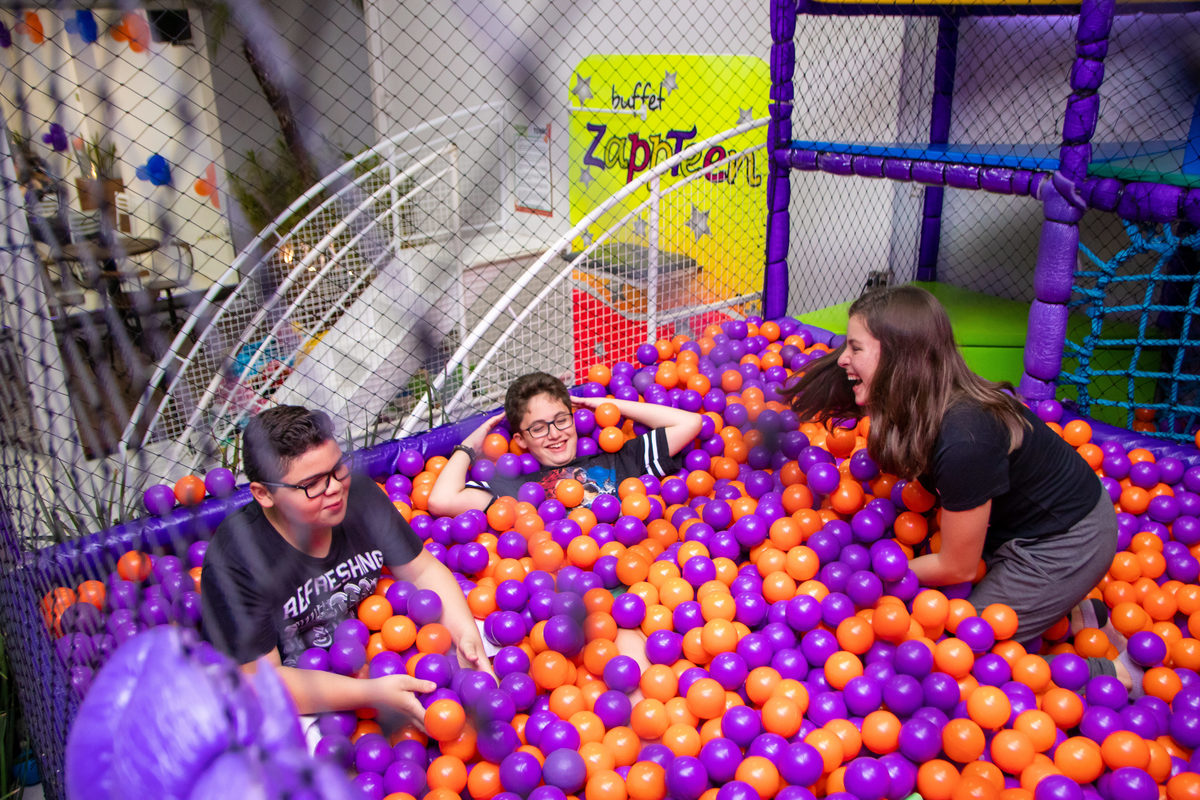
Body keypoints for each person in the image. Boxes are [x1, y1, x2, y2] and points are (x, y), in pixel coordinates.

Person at [783, 286, 1133, 686]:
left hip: (1064, 542)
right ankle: (1075, 616)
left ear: (900, 358)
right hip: (1009, 525)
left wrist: (866, 581)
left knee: (957, 657)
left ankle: (1117, 673)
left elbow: (958, 565)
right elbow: (830, 376)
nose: (844, 357)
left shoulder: (964, 435)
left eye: (856, 348)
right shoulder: (919, 390)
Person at [201, 405, 493, 729]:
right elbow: (262, 684)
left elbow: (423, 571)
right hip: (299, 683)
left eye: (337, 468)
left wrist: (467, 636)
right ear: (264, 494)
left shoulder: (361, 496)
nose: (335, 488)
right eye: (312, 484)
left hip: (380, 647)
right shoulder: (236, 560)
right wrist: (371, 693)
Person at [427, 371, 703, 516]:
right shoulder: (515, 489)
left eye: (561, 420)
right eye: (538, 428)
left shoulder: (619, 459)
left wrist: (606, 406)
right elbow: (441, 501)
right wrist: (469, 446)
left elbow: (689, 424)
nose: (555, 434)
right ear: (520, 441)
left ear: (575, 419)